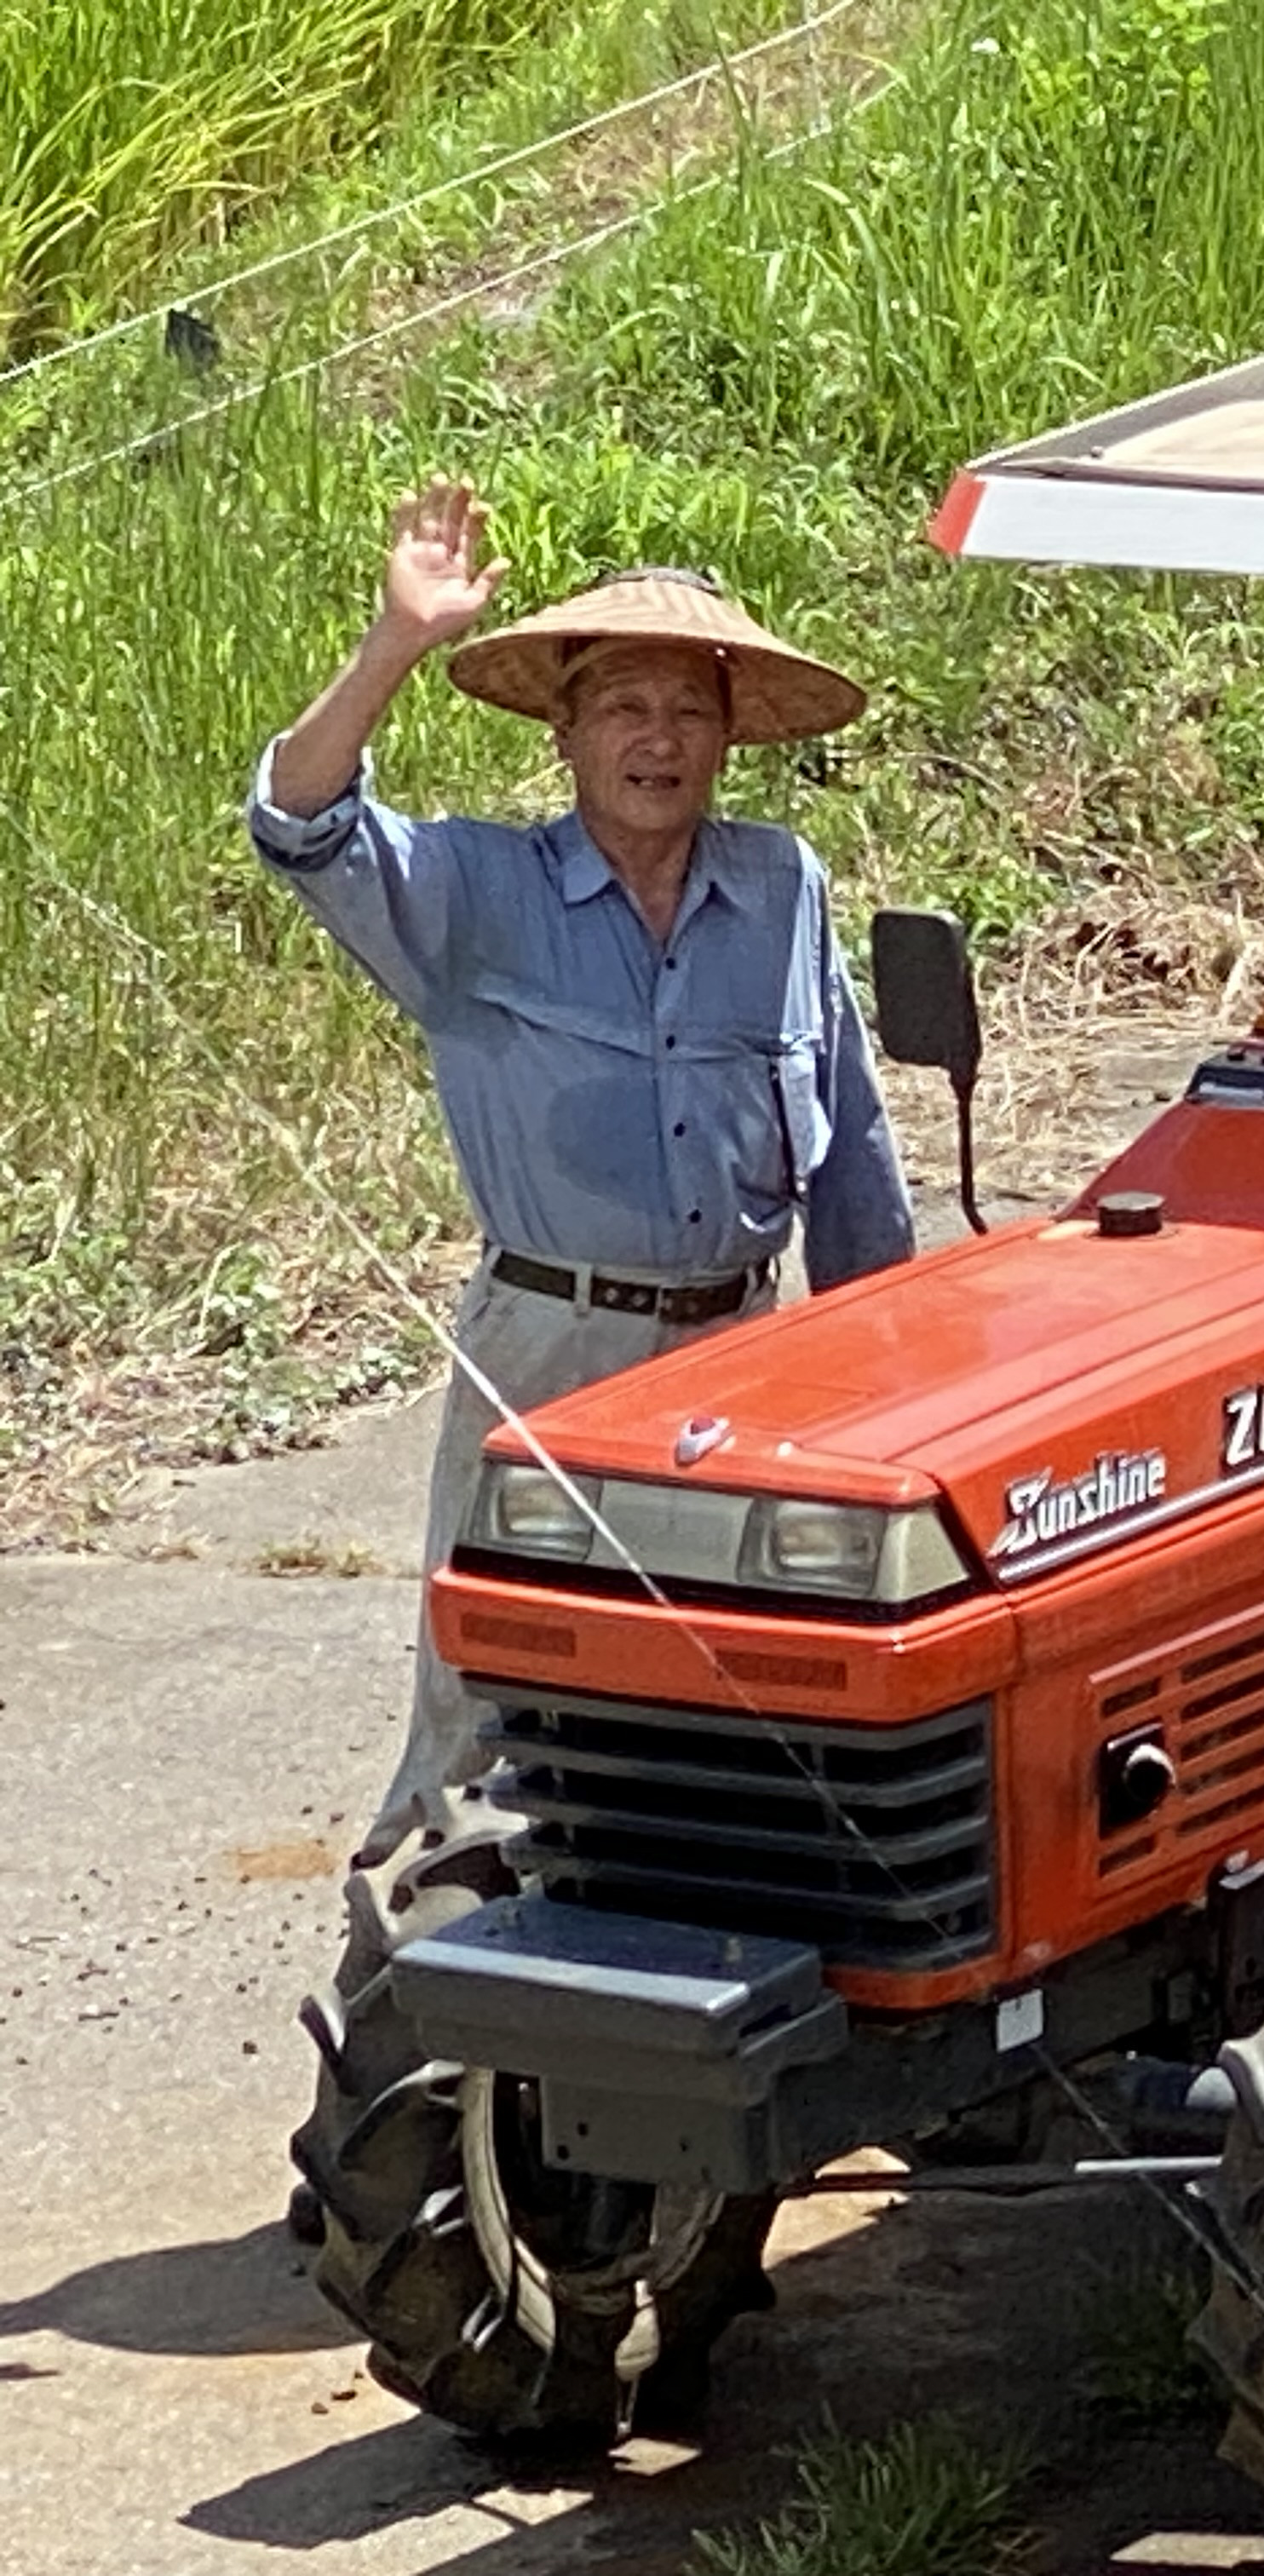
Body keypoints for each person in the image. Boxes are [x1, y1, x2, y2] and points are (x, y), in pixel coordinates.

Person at [253, 480, 916, 2234]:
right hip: (552, 1359)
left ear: (728, 736)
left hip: (746, 1365)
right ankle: (402, 2115)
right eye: (623, 702)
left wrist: (888, 1367)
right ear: (563, 730)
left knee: (745, 1724)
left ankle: (724, 2108)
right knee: (484, 1729)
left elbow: (847, 1153)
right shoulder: (473, 889)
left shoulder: (783, 887)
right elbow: (297, 820)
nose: (658, 736)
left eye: (690, 707)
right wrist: (397, 643)